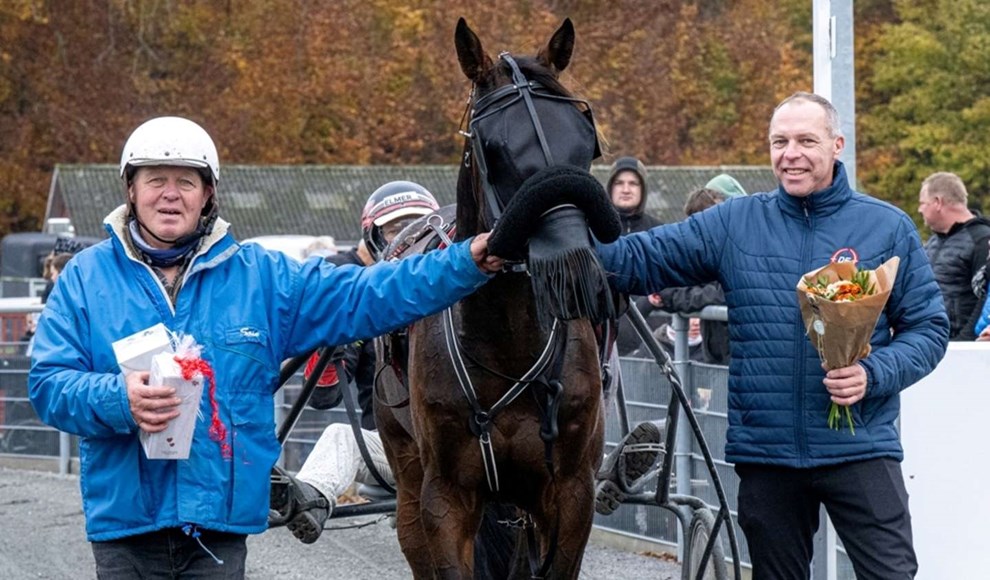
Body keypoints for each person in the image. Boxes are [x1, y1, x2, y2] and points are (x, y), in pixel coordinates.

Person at [27, 116, 503, 579]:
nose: (170, 193)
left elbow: (369, 293)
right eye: (155, 180)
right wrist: (119, 399)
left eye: (186, 182)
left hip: (218, 535)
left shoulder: (263, 280)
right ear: (130, 189)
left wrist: (466, 262)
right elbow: (49, 384)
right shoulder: (86, 280)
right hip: (125, 533)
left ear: (208, 194)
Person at [596, 92, 948, 579]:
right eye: (779, 142)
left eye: (806, 140)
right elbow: (638, 258)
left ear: (837, 144)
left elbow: (929, 328)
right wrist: (558, 226)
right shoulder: (735, 222)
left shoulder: (886, 226)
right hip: (769, 453)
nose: (791, 153)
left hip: (861, 444)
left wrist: (873, 373)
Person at [653, 187, 732, 365]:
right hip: (715, 358)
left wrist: (670, 296)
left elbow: (718, 294)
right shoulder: (705, 256)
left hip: (738, 359)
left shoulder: (734, 253)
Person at [918, 171, 990, 340]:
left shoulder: (982, 240)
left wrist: (963, 343)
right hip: (929, 346)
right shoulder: (933, 243)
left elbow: (985, 299)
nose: (919, 209)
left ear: (937, 202)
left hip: (965, 350)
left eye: (922, 203)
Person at [607, 156, 662, 234]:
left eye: (633, 183)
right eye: (619, 183)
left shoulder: (657, 232)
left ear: (643, 189)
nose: (626, 190)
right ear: (610, 188)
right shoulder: (594, 230)